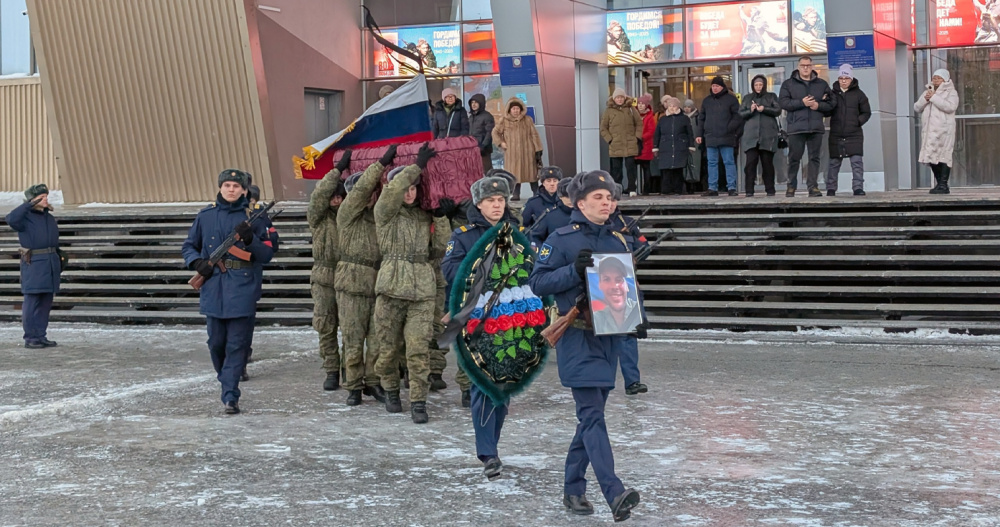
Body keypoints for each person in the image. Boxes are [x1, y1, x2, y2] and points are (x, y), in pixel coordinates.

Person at [528, 170, 641, 522]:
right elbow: (537, 282)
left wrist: (636, 319)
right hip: (576, 336)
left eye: (610, 198)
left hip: (609, 335)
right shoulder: (561, 239)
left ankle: (573, 489)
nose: (607, 203)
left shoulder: (619, 241)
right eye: (599, 198)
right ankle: (614, 491)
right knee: (591, 415)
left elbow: (622, 290)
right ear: (580, 203)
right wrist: (572, 272)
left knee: (589, 419)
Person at [441, 175, 520, 480]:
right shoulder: (462, 236)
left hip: (512, 320)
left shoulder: (517, 233)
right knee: (483, 387)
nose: (497, 205)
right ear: (478, 203)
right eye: (490, 201)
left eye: (501, 200)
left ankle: (493, 447)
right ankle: (487, 452)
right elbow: (451, 272)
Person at [371, 143, 452, 424]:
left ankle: (419, 401)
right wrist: (415, 166)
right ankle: (392, 390)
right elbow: (392, 193)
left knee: (418, 349)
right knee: (388, 347)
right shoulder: (385, 213)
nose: (409, 192)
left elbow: (441, 248)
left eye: (414, 187)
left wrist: (441, 218)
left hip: (421, 289)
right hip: (391, 288)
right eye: (405, 187)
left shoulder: (423, 216)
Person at [182, 170, 274, 414]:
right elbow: (189, 245)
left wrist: (250, 241)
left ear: (245, 190)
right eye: (227, 185)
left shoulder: (255, 217)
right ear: (220, 188)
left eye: (236, 185)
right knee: (216, 344)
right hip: (213, 286)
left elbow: (267, 255)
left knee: (237, 344)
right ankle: (226, 379)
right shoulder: (206, 216)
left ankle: (230, 394)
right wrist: (196, 263)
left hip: (242, 286)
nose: (231, 189)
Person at [337, 148, 396, 407]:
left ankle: (373, 382)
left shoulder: (380, 218)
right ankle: (353, 385)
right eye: (365, 192)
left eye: (374, 192)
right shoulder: (347, 215)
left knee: (376, 339)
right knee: (352, 338)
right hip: (351, 284)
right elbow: (359, 192)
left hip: (377, 283)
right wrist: (380, 164)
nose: (368, 196)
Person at [308, 153, 349, 391]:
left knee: (350, 326)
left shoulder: (350, 219)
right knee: (326, 325)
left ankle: (348, 368)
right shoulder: (319, 217)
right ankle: (331, 369)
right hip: (324, 276)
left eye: (340, 195)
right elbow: (318, 198)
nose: (335, 199)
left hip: (348, 276)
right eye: (332, 195)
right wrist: (335, 173)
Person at [6, 184, 61, 349]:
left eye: (46, 196)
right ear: (32, 200)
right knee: (32, 300)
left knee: (46, 301)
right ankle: (30, 337)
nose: (45, 200)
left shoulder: (48, 217)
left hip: (50, 262)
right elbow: (10, 218)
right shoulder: (24, 218)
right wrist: (29, 204)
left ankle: (40, 335)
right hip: (34, 262)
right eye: (41, 197)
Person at [779, 56, 836, 197]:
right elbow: (783, 103)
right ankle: (791, 186)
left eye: (808, 65)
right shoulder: (788, 84)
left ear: (812, 67)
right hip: (796, 128)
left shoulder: (822, 84)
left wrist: (818, 106)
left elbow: (832, 103)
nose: (806, 68)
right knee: (793, 159)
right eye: (803, 65)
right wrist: (801, 103)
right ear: (798, 67)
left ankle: (813, 187)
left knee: (814, 158)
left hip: (815, 127)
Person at [827, 64, 872, 197]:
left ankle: (858, 187)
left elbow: (866, 112)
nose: (844, 80)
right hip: (836, 133)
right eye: (841, 78)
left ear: (851, 79)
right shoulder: (832, 93)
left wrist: (857, 122)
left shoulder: (859, 94)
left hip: (854, 134)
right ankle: (831, 188)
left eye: (846, 78)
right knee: (834, 163)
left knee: (856, 162)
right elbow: (826, 110)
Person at [914, 69, 959, 194]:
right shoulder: (928, 91)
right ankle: (940, 184)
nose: (936, 80)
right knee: (930, 156)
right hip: (929, 131)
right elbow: (917, 107)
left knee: (944, 156)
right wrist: (926, 99)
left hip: (944, 130)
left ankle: (943, 184)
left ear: (945, 79)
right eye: (934, 77)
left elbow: (950, 107)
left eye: (939, 78)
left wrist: (934, 98)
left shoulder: (951, 92)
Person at [697, 77, 741, 197]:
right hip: (711, 137)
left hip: (727, 136)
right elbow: (701, 118)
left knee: (728, 162)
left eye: (717, 86)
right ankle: (712, 188)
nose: (715, 88)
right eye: (713, 86)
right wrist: (699, 134)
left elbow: (737, 116)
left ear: (722, 87)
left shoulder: (731, 100)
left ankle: (731, 187)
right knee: (711, 162)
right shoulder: (706, 101)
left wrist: (729, 128)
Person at [492, 97, 543, 201]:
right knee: (514, 174)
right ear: (509, 110)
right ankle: (516, 194)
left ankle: (536, 192)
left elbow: (534, 135)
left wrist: (538, 148)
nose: (516, 110)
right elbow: (495, 132)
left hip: (527, 151)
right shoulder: (504, 120)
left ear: (521, 109)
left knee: (532, 173)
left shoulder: (527, 120)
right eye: (513, 108)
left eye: (517, 108)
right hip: (512, 152)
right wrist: (501, 143)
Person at [739, 74, 782, 197]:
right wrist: (750, 110)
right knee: (750, 165)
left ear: (764, 85)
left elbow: (778, 110)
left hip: (767, 137)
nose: (758, 87)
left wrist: (765, 109)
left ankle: (770, 190)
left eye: (760, 85)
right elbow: (741, 114)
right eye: (756, 85)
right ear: (753, 86)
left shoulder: (771, 96)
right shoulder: (747, 98)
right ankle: (749, 191)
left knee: (767, 165)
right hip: (751, 137)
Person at [600, 88, 643, 195]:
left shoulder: (631, 109)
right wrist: (610, 140)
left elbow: (639, 124)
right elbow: (603, 128)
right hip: (615, 145)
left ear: (624, 98)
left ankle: (632, 189)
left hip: (630, 144)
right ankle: (617, 189)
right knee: (616, 170)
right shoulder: (608, 111)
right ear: (614, 99)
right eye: (617, 97)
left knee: (630, 169)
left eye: (621, 97)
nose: (619, 99)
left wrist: (637, 137)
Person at [653, 96, 694, 196]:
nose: (672, 108)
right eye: (670, 106)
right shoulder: (662, 119)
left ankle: (678, 189)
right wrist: (655, 146)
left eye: (674, 106)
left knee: (678, 169)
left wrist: (691, 145)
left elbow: (689, 133)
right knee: (666, 169)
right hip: (665, 147)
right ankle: (666, 190)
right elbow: (657, 133)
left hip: (679, 146)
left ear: (678, 107)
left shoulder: (684, 118)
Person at [591, 257, 642, 335]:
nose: (614, 286)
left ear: (627, 285)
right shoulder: (596, 319)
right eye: (607, 279)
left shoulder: (638, 311)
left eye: (619, 279)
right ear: (600, 285)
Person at [528, 178, 574, 250]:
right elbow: (536, 237)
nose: (570, 200)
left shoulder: (587, 214)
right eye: (567, 196)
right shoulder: (549, 215)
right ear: (560, 197)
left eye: (573, 196)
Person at [468, 93, 496, 173]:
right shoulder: (471, 117)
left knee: (487, 171)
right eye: (472, 103)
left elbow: (489, 133)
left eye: (476, 102)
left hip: (483, 150)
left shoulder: (487, 116)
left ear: (481, 103)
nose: (473, 105)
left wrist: (483, 146)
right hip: (472, 148)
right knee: (474, 171)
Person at [635, 94, 657, 195]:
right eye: (639, 103)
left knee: (646, 168)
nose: (640, 106)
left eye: (642, 104)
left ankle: (646, 189)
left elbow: (651, 130)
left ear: (646, 106)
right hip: (635, 145)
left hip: (646, 145)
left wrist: (641, 137)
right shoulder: (634, 115)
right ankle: (633, 188)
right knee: (632, 168)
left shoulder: (649, 117)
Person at [683, 99, 704, 194]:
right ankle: (687, 184)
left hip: (696, 144)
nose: (687, 109)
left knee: (695, 164)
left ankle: (695, 184)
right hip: (685, 144)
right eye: (685, 107)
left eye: (688, 107)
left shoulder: (697, 117)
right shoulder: (682, 117)